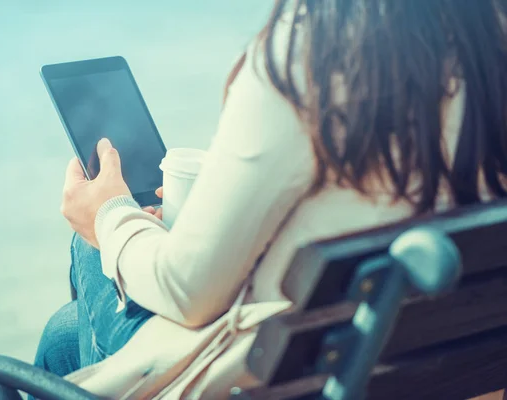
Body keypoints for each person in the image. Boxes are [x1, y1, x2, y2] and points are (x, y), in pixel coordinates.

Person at [33, 0, 507, 398]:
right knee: (63, 335)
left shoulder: (311, 52)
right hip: (419, 371)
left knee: (91, 244)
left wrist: (111, 214)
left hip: (282, 379)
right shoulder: (485, 44)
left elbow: (188, 290)